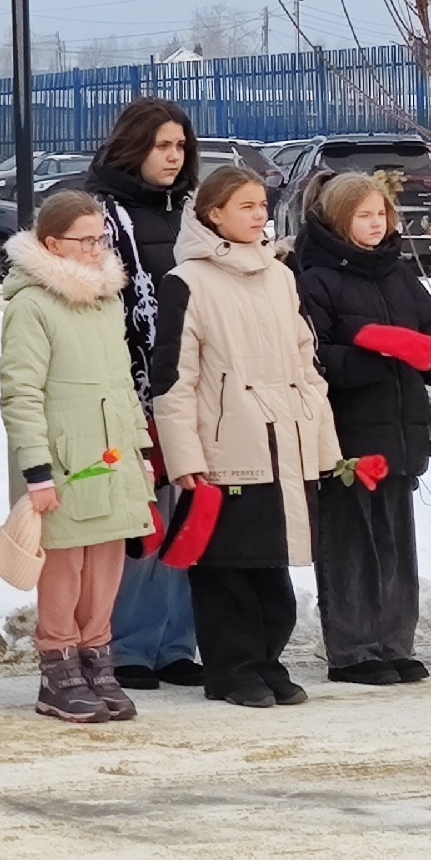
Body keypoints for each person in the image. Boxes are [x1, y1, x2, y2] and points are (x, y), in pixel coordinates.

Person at [150, 166, 339, 710]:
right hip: (228, 444)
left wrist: (319, 437)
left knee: (272, 564)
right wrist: (186, 454)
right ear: (214, 215)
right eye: (246, 206)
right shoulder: (187, 281)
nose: (260, 215)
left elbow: (307, 359)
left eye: (263, 205)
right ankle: (231, 670)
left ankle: (267, 660)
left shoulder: (280, 275)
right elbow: (174, 378)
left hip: (288, 438)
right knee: (228, 567)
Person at [295, 172, 431, 686]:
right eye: (363, 215)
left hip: (400, 430)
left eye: (381, 214)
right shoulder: (316, 280)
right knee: (351, 542)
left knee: (396, 543)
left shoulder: (401, 278)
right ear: (338, 219)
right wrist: (374, 359)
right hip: (349, 437)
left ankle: (394, 641)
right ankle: (354, 649)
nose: (376, 224)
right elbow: (314, 356)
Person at [0, 191, 157, 724]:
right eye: (84, 240)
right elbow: (21, 392)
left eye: (101, 239)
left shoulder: (108, 299)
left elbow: (122, 383)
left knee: (106, 565)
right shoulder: (33, 305)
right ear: (51, 244)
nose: (96, 249)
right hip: (64, 459)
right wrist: (37, 471)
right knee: (64, 566)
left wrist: (140, 450)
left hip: (111, 455)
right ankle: (58, 665)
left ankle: (96, 657)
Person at [85, 99, 204, 692]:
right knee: (143, 516)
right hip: (132, 387)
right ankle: (128, 641)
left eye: (181, 146)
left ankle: (176, 642)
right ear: (135, 146)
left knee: (189, 514)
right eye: (162, 146)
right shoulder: (102, 215)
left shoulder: (189, 214)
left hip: (191, 386)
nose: (174, 157)